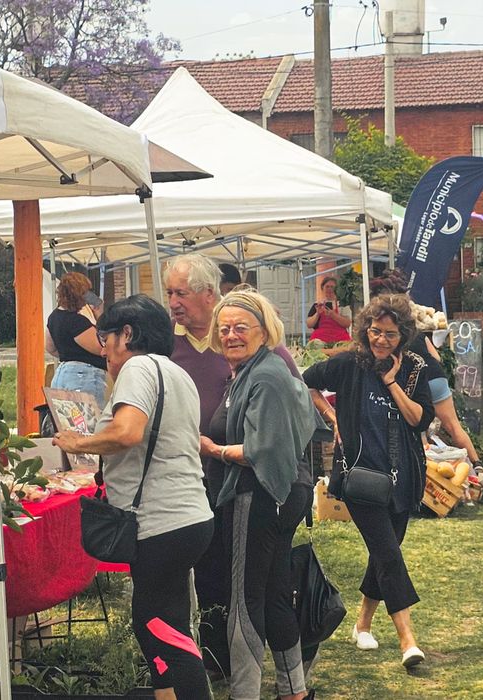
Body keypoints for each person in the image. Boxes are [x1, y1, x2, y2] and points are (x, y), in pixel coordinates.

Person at [52, 295, 214, 700]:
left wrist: (81, 441)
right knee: (158, 623)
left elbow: (127, 433)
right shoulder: (175, 373)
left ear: (128, 334)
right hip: (186, 517)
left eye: (106, 336)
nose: (103, 347)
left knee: (162, 627)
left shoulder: (139, 367)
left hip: (163, 521)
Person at [164, 253, 299, 679]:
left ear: (209, 293)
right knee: (210, 571)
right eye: (169, 293)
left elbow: (285, 414)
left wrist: (218, 449)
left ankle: (247, 675)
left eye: (180, 293)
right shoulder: (169, 346)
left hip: (248, 485)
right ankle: (219, 659)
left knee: (249, 584)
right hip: (196, 480)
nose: (173, 303)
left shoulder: (263, 357)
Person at [303, 293, 434, 670]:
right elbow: (305, 381)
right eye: (375, 331)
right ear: (364, 329)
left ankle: (362, 623)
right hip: (360, 477)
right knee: (389, 555)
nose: (381, 340)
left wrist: (392, 383)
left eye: (390, 334)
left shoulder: (413, 368)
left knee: (384, 551)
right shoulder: (348, 363)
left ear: (403, 335)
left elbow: (419, 420)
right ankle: (408, 641)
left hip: (403, 478)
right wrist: (332, 414)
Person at [194, 290, 314, 700]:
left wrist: (212, 449)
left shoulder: (264, 375)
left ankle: (244, 693)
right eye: (224, 328)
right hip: (278, 493)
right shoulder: (252, 371)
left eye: (240, 328)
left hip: (258, 493)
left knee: (244, 599)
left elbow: (262, 449)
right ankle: (294, 690)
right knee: (276, 591)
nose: (230, 335)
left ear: (264, 332)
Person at [369, 272, 479, 463]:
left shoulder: (390, 338)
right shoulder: (414, 332)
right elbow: (436, 357)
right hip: (436, 377)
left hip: (415, 381)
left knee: (417, 429)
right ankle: (477, 467)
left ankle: (426, 475)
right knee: (454, 426)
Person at [47, 271, 108, 405]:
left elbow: (50, 348)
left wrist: (68, 353)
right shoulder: (78, 322)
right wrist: (99, 316)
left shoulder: (53, 317)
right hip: (84, 376)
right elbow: (102, 348)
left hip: (62, 374)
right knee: (89, 421)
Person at [305, 277, 352, 344]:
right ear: (322, 288)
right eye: (327, 287)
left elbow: (347, 323)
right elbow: (309, 324)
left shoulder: (342, 304)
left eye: (332, 287)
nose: (329, 289)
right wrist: (317, 314)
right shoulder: (318, 304)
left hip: (340, 338)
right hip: (320, 339)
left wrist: (333, 315)